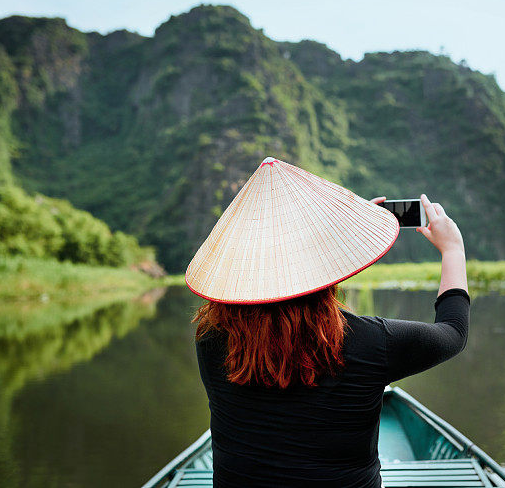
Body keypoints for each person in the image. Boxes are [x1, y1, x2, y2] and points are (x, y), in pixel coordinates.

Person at [188, 157, 470, 488]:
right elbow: (452, 333)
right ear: (326, 264)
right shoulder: (371, 342)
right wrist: (452, 250)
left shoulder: (210, 338)